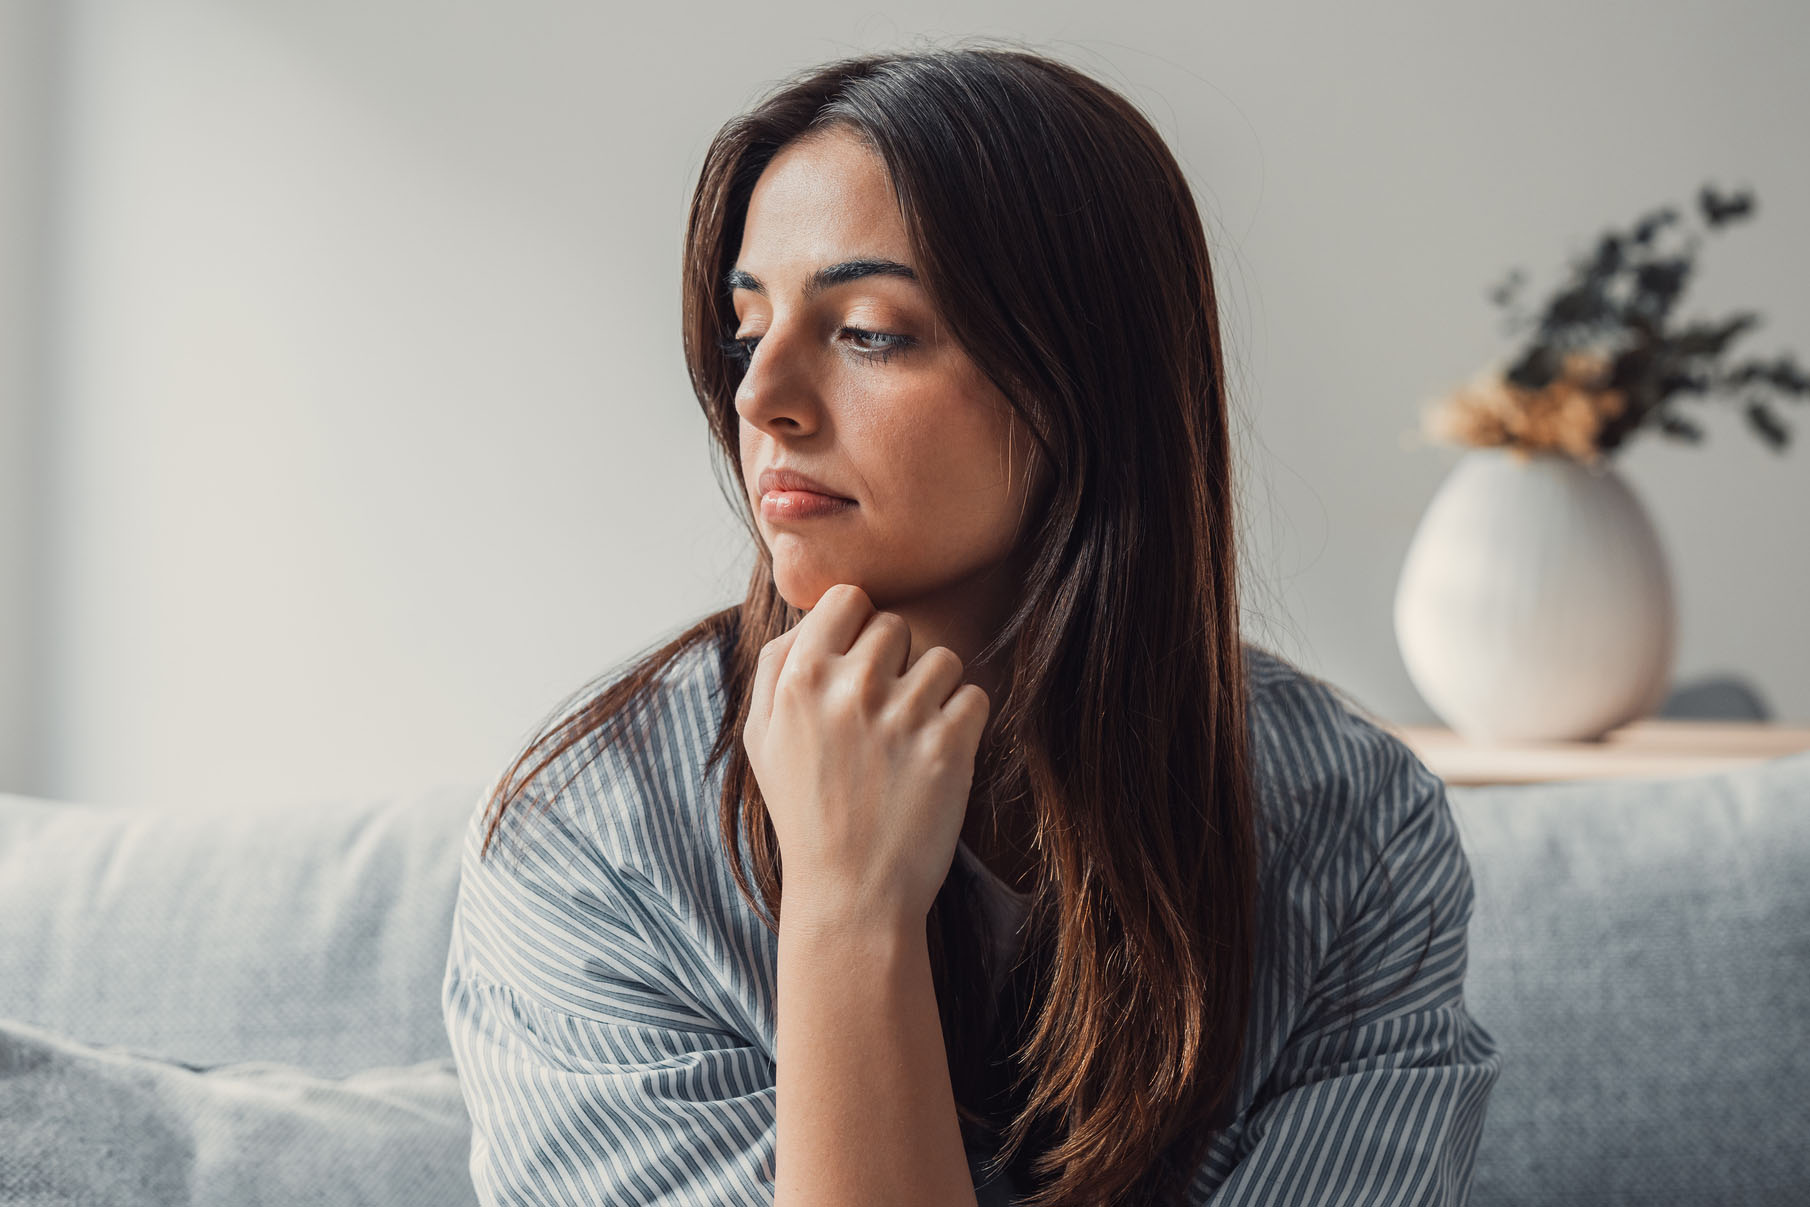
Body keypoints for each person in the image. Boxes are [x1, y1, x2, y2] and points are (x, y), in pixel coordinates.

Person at [442, 43, 1501, 1207]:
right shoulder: (597, 841)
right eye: (748, 330)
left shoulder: (1348, 829)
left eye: (869, 330)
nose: (759, 395)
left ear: (1082, 384)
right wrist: (850, 913)